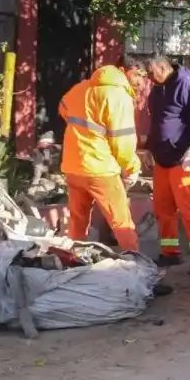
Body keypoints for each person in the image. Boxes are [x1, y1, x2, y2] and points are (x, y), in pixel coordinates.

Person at [58, 63, 143, 253]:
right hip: (100, 168)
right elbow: (123, 142)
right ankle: (136, 265)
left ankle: (74, 260)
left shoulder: (80, 88)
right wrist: (131, 167)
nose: (140, 81)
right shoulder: (119, 96)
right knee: (121, 221)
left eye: (142, 76)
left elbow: (63, 108)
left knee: (77, 222)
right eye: (137, 75)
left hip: (73, 165)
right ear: (123, 71)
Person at [141, 56, 190, 274]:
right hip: (162, 160)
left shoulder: (187, 86)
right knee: (163, 209)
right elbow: (157, 123)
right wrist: (148, 148)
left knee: (187, 208)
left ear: (162, 68)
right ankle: (170, 252)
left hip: (184, 159)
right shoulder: (157, 90)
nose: (149, 79)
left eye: (151, 73)